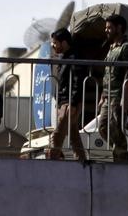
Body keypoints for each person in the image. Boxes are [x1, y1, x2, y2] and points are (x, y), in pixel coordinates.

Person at [97, 14, 128, 163]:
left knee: (114, 128)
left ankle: (123, 159)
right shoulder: (111, 48)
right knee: (103, 128)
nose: (107, 30)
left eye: (109, 27)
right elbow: (108, 73)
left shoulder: (126, 47)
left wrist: (125, 98)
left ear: (119, 28)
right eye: (106, 28)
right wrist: (103, 95)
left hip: (118, 96)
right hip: (108, 95)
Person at [45, 28, 88, 163]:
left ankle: (53, 159)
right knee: (73, 134)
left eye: (55, 43)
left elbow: (77, 81)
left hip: (69, 102)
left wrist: (73, 103)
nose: (53, 46)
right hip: (64, 101)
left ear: (63, 43)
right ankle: (81, 160)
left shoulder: (74, 57)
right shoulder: (64, 57)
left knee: (57, 135)